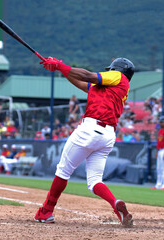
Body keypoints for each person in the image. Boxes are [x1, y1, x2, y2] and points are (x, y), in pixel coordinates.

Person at [34, 57, 135, 226]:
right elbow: (81, 82)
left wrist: (60, 65)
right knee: (95, 181)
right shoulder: (107, 88)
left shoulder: (118, 77)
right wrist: (60, 68)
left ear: (116, 69)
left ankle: (46, 211)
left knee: (63, 171)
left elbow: (87, 76)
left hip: (90, 129)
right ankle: (115, 205)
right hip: (107, 135)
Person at [152, 116, 164, 190]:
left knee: (163, 168)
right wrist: (157, 152)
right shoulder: (160, 130)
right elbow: (159, 142)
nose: (160, 123)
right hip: (159, 150)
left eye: (162, 121)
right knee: (159, 168)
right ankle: (158, 184)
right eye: (160, 121)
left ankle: (163, 185)